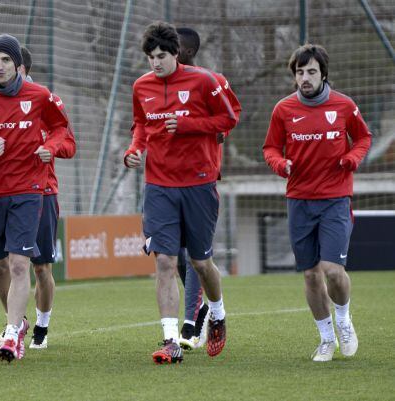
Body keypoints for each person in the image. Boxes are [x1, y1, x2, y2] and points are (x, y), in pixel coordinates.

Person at [124, 21, 238, 364]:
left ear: (176, 54)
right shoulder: (141, 86)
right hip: (159, 184)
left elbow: (228, 119)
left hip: (199, 182)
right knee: (164, 260)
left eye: (161, 55)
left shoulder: (203, 81)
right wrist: (134, 149)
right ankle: (171, 339)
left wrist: (189, 125)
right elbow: (142, 123)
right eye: (150, 57)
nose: (155, 62)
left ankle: (216, 312)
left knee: (201, 262)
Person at [0, 34, 70, 362]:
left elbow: (63, 130)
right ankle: (18, 321)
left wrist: (50, 148)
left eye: (5, 60)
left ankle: (14, 334)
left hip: (30, 191)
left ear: (17, 65)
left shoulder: (39, 96)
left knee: (25, 264)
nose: (0, 65)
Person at [263, 44, 369, 362]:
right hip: (299, 201)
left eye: (311, 71)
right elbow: (270, 148)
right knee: (311, 275)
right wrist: (280, 164)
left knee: (333, 271)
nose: (305, 78)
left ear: (323, 73)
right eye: (300, 72)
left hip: (335, 199)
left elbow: (363, 138)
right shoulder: (283, 109)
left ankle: (344, 321)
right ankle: (326, 339)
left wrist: (352, 157)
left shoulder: (344, 105)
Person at [0, 46, 77, 349]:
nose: (4, 70)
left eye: (11, 64)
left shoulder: (43, 101)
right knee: (1, 263)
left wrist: (50, 148)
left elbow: (69, 143)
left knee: (40, 267)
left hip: (43, 192)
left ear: (23, 69)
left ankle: (42, 323)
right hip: (2, 194)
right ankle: (14, 322)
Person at [174, 27, 241, 350]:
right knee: (175, 257)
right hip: (167, 182)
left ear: (186, 51)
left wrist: (214, 132)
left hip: (201, 181)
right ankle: (202, 308)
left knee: (194, 258)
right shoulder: (159, 87)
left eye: (172, 47)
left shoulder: (212, 82)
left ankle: (191, 322)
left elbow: (229, 118)